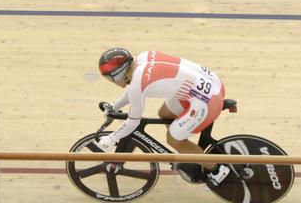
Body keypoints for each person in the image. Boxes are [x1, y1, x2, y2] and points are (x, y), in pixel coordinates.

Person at [95, 47, 231, 187]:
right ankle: (189, 151)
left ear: (118, 74)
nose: (113, 82)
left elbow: (133, 122)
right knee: (165, 114)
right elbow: (134, 88)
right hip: (212, 84)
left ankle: (217, 169)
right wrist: (115, 106)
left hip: (207, 101)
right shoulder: (143, 58)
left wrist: (112, 138)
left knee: (174, 140)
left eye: (111, 78)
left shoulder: (138, 83)